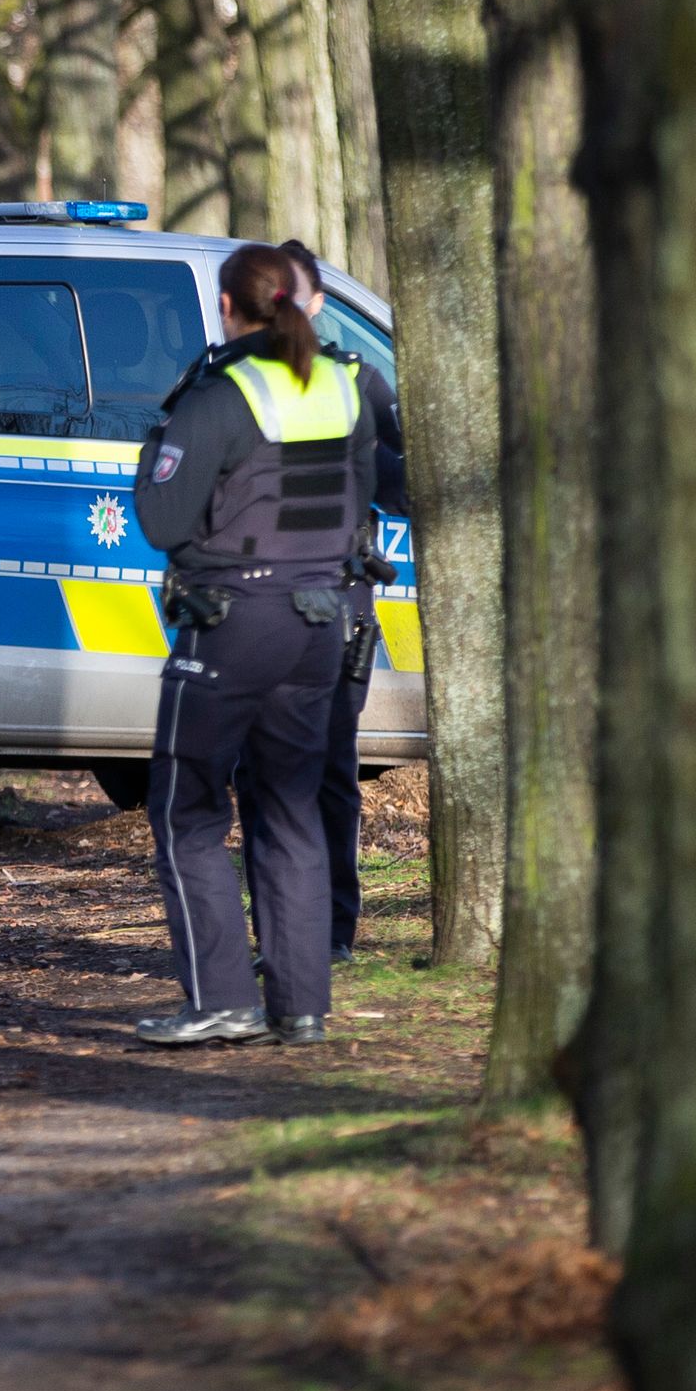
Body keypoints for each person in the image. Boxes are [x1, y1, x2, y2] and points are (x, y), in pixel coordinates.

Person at [125, 243, 367, 1047]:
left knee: (186, 808)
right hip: (319, 622)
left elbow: (162, 519)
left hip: (231, 621)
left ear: (228, 307)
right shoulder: (342, 384)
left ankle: (221, 999)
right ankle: (302, 1006)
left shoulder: (221, 395)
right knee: (292, 808)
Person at [266, 243, 407, 971]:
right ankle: (284, 931)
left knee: (327, 770)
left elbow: (405, 484)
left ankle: (334, 931)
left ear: (318, 302)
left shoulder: (359, 383)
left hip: (338, 604)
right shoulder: (240, 384)